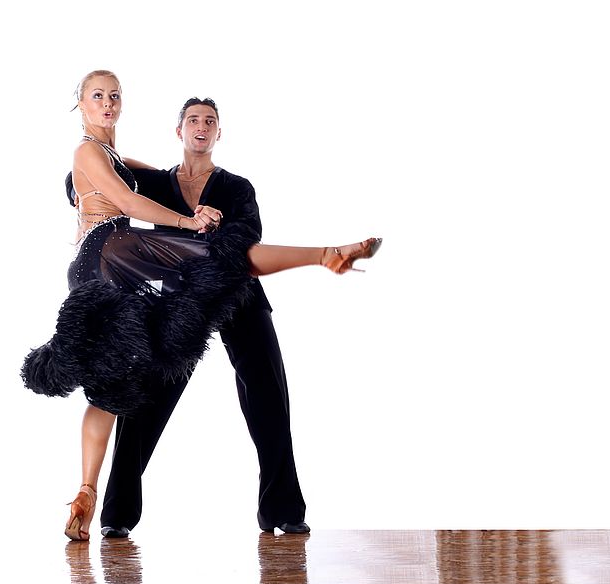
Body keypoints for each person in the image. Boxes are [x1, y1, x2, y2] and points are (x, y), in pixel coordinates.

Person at [21, 71, 381, 541]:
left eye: (209, 121)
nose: (201, 126)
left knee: (267, 398)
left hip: (239, 298)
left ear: (217, 133)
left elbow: (241, 241)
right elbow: (98, 184)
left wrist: (198, 224)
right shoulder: (159, 183)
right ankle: (115, 514)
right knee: (144, 399)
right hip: (179, 305)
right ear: (179, 131)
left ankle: (283, 511)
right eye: (192, 119)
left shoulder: (236, 187)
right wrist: (188, 220)